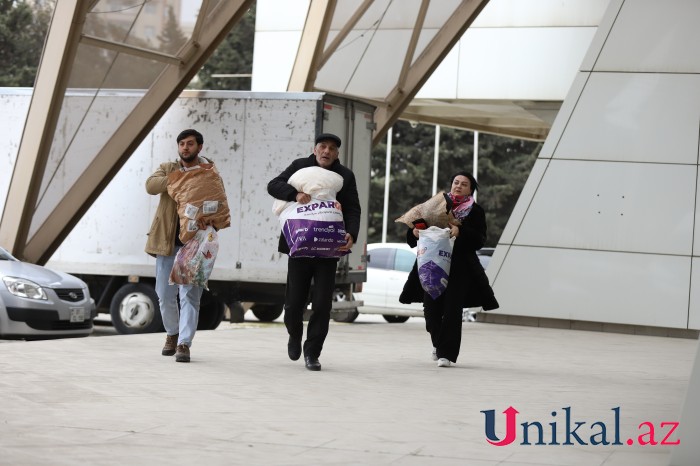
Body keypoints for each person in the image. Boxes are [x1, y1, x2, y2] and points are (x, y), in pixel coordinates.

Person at [267, 133, 361, 371]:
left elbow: (352, 209)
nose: (326, 151)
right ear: (315, 149)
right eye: (322, 147)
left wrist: (351, 234)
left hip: (328, 249)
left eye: (331, 148)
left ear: (337, 153)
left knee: (322, 303)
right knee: (294, 302)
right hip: (298, 247)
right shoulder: (300, 166)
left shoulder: (345, 176)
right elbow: (273, 185)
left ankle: (313, 353)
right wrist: (294, 194)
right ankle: (294, 334)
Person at [399, 171, 499, 367]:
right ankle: (439, 344)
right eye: (456, 182)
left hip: (460, 269)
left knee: (452, 311)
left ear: (470, 190)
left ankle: (446, 354)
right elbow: (414, 234)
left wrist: (460, 231)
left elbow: (480, 240)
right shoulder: (436, 205)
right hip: (432, 265)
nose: (458, 186)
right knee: (430, 311)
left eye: (464, 184)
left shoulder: (475, 211)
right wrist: (414, 231)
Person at [145, 128, 223, 363]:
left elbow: (220, 204)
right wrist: (180, 179)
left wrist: (212, 220)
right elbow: (150, 186)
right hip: (167, 244)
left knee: (190, 296)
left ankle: (184, 344)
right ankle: (172, 333)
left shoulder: (209, 174)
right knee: (164, 296)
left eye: (190, 144)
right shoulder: (168, 169)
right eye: (182, 144)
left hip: (194, 246)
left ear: (199, 147)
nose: (185, 148)